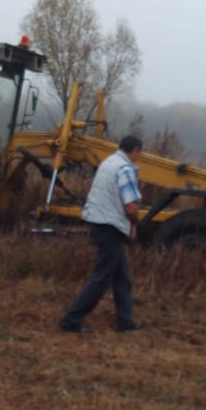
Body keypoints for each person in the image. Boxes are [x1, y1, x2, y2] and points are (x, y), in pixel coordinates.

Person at [59, 135, 144, 334]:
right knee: (101, 278)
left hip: (98, 222)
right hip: (110, 226)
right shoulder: (125, 168)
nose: (139, 157)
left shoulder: (108, 163)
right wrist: (134, 226)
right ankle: (71, 320)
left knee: (121, 277)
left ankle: (125, 321)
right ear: (135, 151)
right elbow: (131, 207)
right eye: (139, 153)